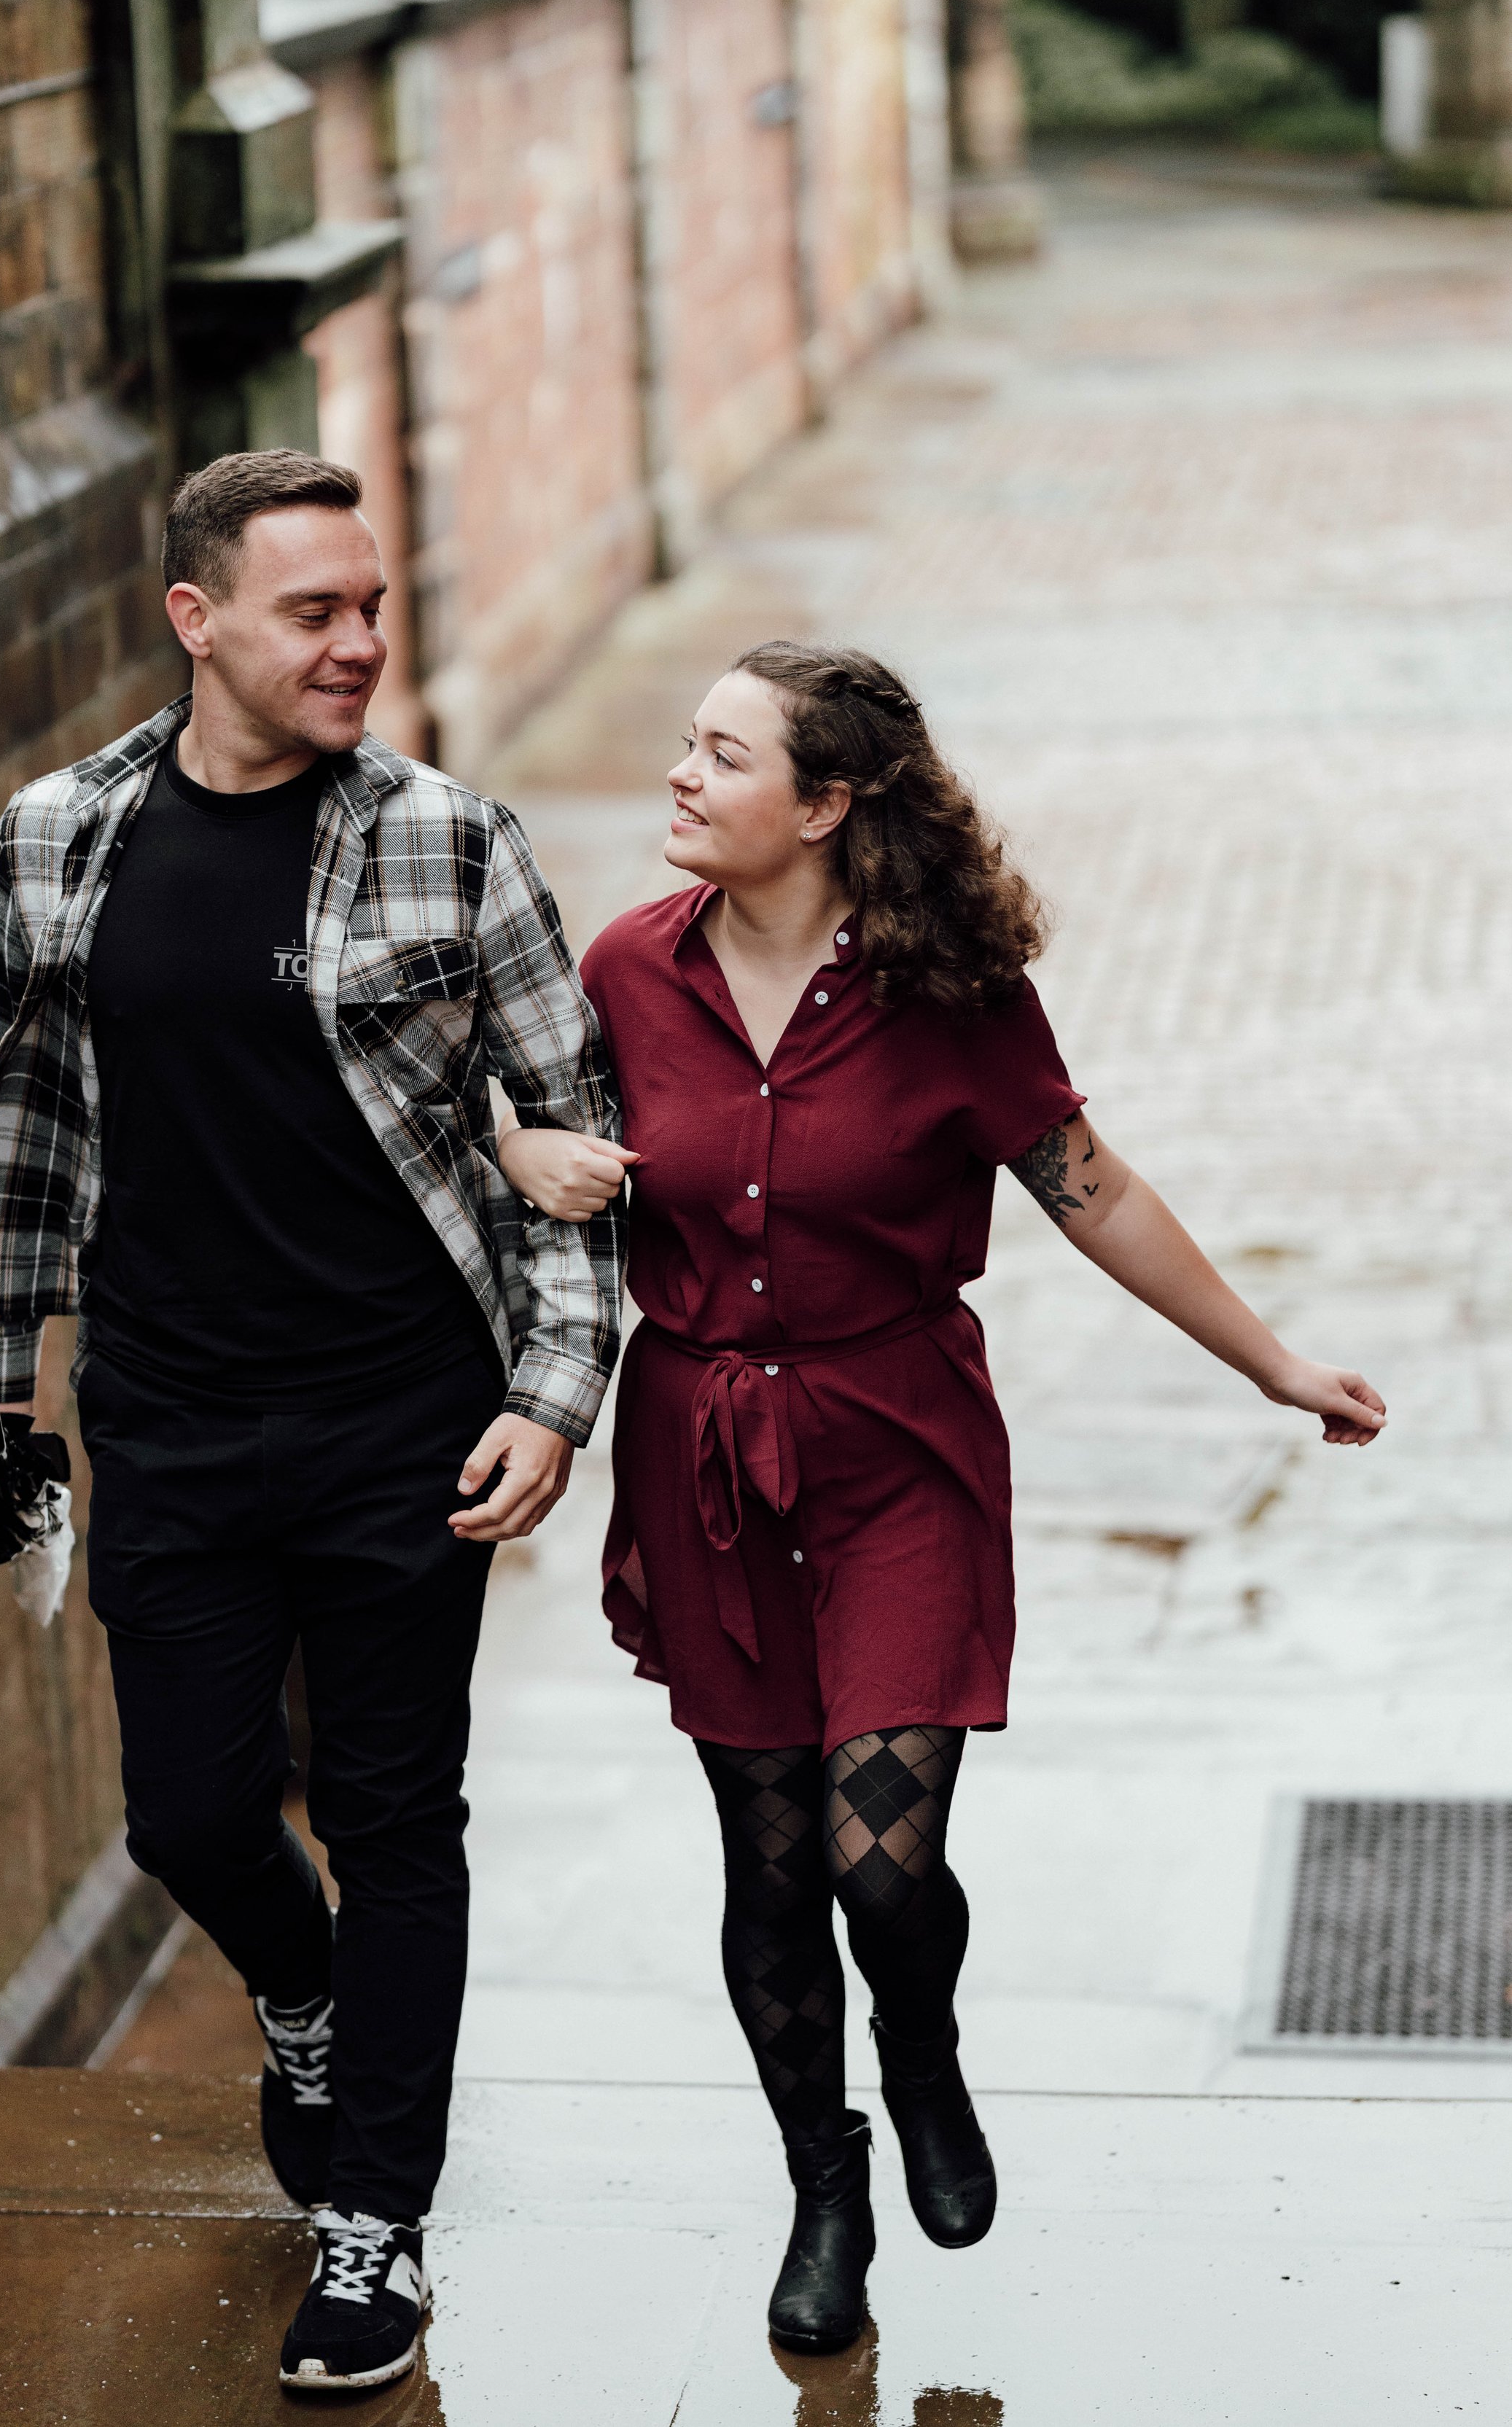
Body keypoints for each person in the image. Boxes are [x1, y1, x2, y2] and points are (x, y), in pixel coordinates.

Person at [497, 639, 1384, 2354]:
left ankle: (918, 2046)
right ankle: (820, 2182)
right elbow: (492, 1123)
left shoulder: (946, 989)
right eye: (684, 742)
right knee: (770, 1861)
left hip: (894, 1449)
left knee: (879, 1862)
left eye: (723, 754)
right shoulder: (622, 970)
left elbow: (1085, 1185)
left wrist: (1269, 1362)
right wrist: (510, 1144)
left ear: (824, 804)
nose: (679, 773)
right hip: (705, 1461)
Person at [0, 449, 623, 2394]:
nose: (356, 642)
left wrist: (553, 1397)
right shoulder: (56, 838)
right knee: (191, 1810)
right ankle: (301, 1992)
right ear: (197, 618)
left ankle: (374, 2222)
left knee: (399, 1816)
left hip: (407, 1420)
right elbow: (9, 1117)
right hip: (167, 1413)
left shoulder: (454, 843)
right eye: (313, 610)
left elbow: (574, 1151)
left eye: (369, 606)